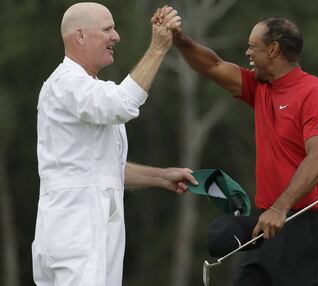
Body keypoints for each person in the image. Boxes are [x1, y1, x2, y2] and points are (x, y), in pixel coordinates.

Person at [155, 9, 318, 286]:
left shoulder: (315, 93)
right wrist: (179, 39)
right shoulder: (260, 86)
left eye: (253, 47)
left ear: (274, 49)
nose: (247, 53)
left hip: (304, 229)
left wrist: (280, 208)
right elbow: (212, 65)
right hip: (266, 226)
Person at [32, 3, 198, 286]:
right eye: (107, 29)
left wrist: (162, 176)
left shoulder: (87, 88)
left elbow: (106, 168)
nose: (116, 36)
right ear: (80, 36)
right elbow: (122, 104)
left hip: (84, 230)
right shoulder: (68, 83)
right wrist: (158, 47)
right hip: (78, 231)